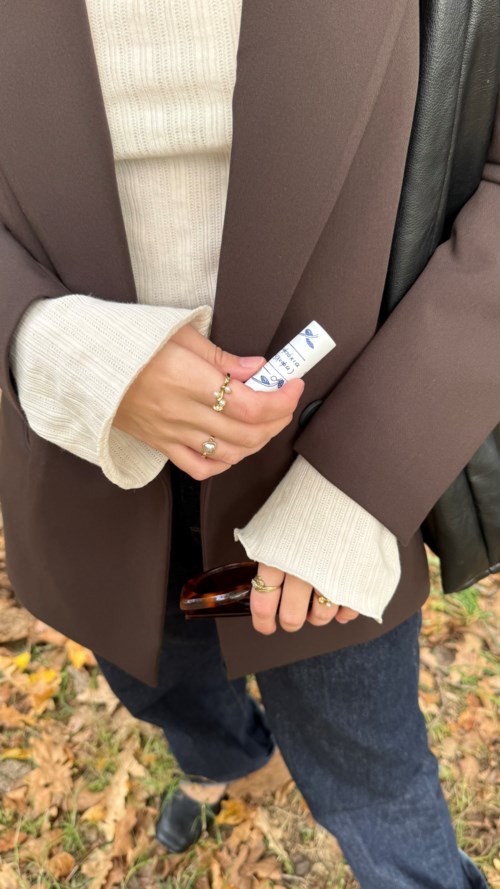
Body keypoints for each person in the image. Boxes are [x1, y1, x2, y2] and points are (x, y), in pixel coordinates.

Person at [0, 2, 498, 887]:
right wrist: (41, 343)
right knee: (162, 684)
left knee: (373, 770)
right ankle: (226, 761)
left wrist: (367, 476)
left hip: (334, 475)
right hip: (81, 457)